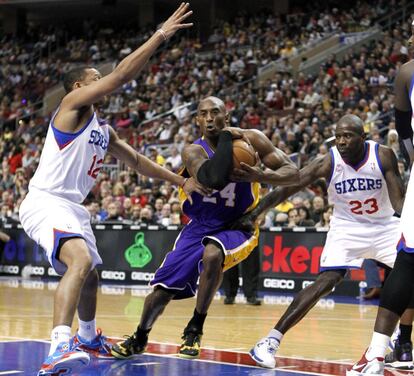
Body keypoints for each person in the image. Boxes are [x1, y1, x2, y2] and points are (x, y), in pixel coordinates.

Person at [18, 4, 207, 375]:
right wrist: (160, 35)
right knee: (81, 262)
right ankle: (58, 345)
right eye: (93, 77)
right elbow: (120, 76)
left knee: (92, 275)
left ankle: (87, 337)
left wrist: (181, 180)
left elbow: (137, 162)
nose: (100, 80)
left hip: (72, 206)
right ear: (78, 87)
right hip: (45, 200)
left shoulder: (103, 130)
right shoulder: (70, 106)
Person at [111, 96, 298, 360]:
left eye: (215, 112)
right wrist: (225, 141)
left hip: (237, 224)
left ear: (227, 116)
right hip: (200, 225)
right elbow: (214, 177)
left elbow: (294, 173)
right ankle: (140, 336)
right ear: (197, 120)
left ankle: (195, 327)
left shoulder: (252, 140)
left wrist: (261, 178)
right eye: (203, 114)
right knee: (162, 292)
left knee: (213, 254)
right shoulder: (192, 152)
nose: (209, 118)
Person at [231, 114, 406, 369]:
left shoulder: (383, 155)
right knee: (326, 281)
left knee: (409, 271)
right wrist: (256, 213)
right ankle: (269, 341)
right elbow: (290, 186)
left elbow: (399, 202)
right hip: (347, 228)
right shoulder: (328, 161)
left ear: (363, 137)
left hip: (385, 226)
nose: (341, 141)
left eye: (348, 136)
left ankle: (401, 340)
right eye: (338, 135)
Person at [348, 21, 414, 375]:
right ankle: (384, 350)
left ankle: (377, 353)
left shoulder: (407, 72)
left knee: (408, 264)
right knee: (407, 263)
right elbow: (403, 130)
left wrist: (410, 157)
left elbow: (404, 131)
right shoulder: (407, 71)